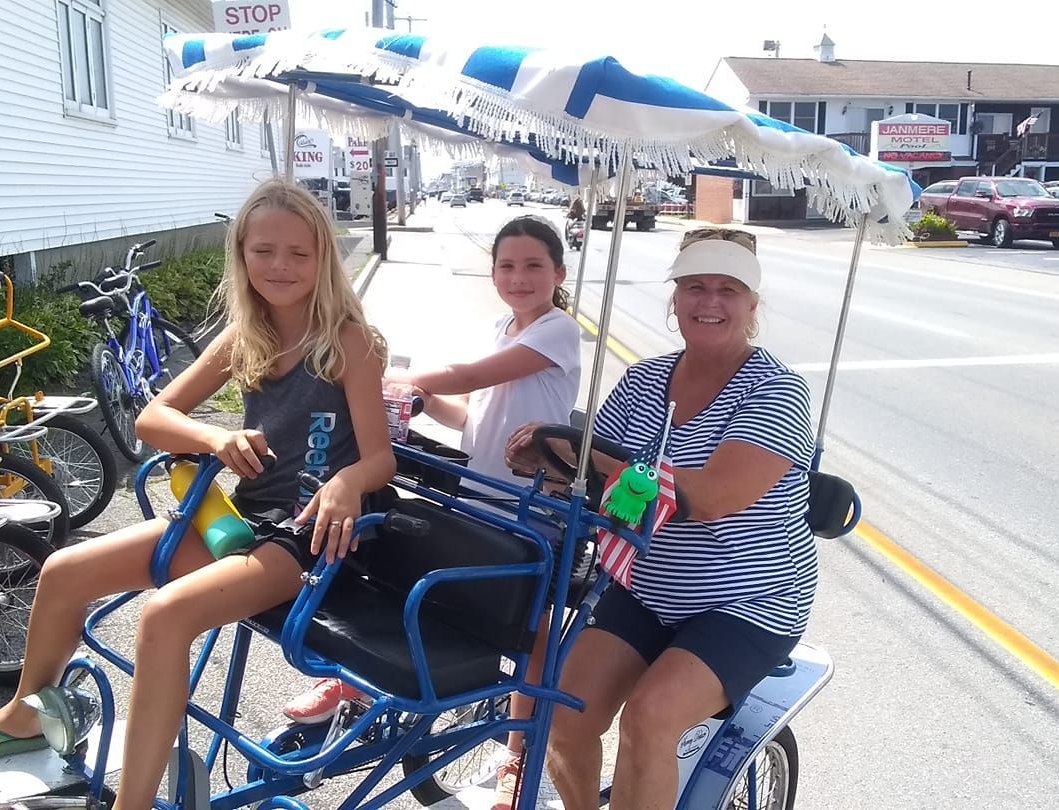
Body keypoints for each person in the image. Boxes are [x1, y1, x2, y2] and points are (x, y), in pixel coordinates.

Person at [0, 179, 397, 810]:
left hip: (308, 539)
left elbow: (380, 459)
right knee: (63, 570)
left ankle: (133, 803)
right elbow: (152, 419)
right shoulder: (243, 337)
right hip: (243, 520)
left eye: (299, 254)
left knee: (163, 616)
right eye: (264, 251)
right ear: (242, 255)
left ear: (323, 260)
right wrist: (214, 437)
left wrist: (344, 481)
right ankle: (23, 713)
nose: (280, 266)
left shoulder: (348, 341)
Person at [503, 228, 818, 809]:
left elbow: (711, 496)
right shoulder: (646, 378)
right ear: (675, 299)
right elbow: (590, 467)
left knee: (649, 719)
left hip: (748, 600)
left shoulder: (776, 390)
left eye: (728, 289)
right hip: (648, 584)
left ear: (753, 304)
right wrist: (546, 459)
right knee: (562, 715)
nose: (709, 302)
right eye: (694, 287)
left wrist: (584, 455)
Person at [281, 214, 582, 809]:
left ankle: (519, 754)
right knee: (405, 571)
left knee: (531, 631)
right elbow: (471, 414)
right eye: (507, 266)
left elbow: (471, 373)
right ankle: (352, 682)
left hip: (528, 507)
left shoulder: (558, 331)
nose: (518, 277)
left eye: (533, 266)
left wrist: (383, 374)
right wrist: (417, 400)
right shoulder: (504, 325)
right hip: (474, 492)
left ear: (558, 273)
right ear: (493, 273)